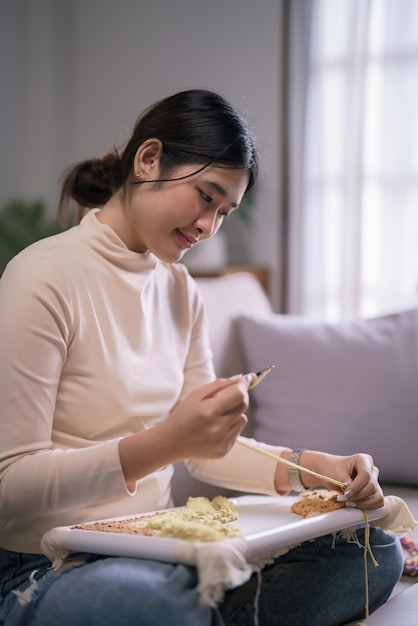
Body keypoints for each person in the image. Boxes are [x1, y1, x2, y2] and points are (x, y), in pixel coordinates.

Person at [0, 89, 403, 626]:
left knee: (372, 554)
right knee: (137, 604)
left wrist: (311, 469)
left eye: (225, 212)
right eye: (205, 196)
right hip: (50, 562)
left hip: (159, 546)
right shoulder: (41, 276)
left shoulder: (180, 289)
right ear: (148, 160)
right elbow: (10, 486)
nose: (209, 226)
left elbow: (205, 452)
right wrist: (167, 440)